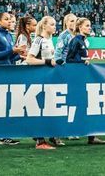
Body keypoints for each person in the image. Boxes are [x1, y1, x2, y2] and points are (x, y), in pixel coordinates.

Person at [65, 18, 105, 146]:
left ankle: (91, 136)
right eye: (87, 26)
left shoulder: (83, 41)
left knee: (89, 105)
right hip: (77, 79)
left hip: (83, 78)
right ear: (80, 27)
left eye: (90, 25)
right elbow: (69, 60)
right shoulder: (76, 41)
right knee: (77, 105)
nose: (90, 28)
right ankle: (70, 131)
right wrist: (83, 62)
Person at [0, 11, 23, 146]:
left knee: (5, 105)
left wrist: (20, 55)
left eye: (11, 19)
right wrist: (13, 51)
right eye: (6, 19)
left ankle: (4, 135)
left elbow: (8, 57)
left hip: (7, 72)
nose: (10, 21)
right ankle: (0, 135)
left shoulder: (8, 35)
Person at [24, 16, 62, 150]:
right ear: (44, 26)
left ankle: (45, 137)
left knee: (46, 108)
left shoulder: (50, 40)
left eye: (55, 24)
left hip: (47, 79)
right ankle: (40, 141)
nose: (54, 27)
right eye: (52, 24)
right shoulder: (39, 40)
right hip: (38, 79)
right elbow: (29, 59)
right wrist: (46, 62)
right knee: (39, 108)